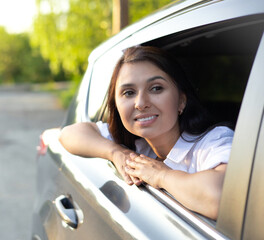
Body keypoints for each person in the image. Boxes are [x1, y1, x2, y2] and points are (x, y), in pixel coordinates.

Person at [59, 46, 233, 220]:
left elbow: (222, 198)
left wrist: (161, 175)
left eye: (156, 88)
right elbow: (68, 134)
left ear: (181, 100)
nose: (140, 103)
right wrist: (116, 153)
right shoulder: (136, 144)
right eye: (129, 92)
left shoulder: (215, 141)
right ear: (117, 106)